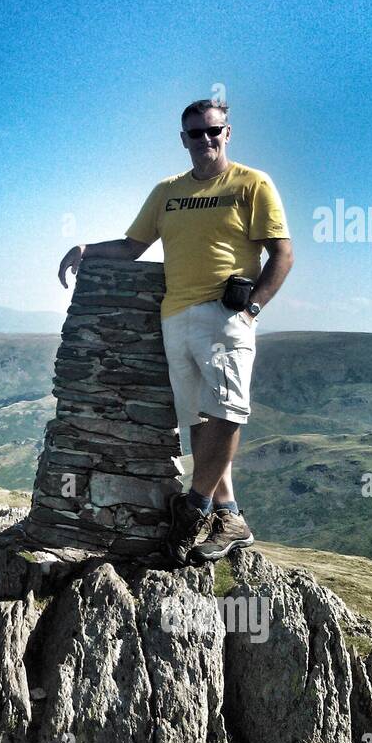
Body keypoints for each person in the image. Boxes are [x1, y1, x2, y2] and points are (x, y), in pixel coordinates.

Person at [57, 98, 294, 565]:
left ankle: (196, 505)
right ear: (183, 139)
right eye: (195, 133)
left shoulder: (253, 184)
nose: (205, 139)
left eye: (213, 131)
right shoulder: (167, 191)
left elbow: (282, 253)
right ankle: (229, 515)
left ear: (228, 133)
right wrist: (87, 248)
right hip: (174, 315)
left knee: (227, 411)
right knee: (197, 420)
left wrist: (252, 309)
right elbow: (131, 247)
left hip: (225, 314)